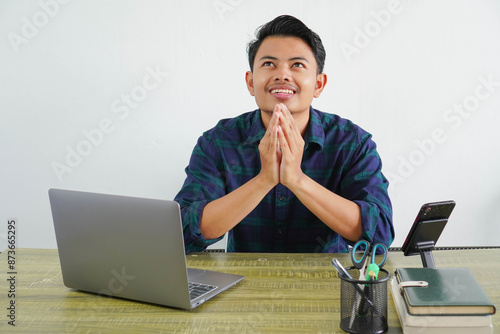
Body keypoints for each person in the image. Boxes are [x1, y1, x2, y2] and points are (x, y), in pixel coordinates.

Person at [174, 15, 394, 253]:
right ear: (250, 82)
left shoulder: (352, 143)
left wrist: (297, 180)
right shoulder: (217, 142)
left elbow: (379, 234)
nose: (282, 75)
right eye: (269, 64)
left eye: (297, 65)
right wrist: (264, 180)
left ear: (319, 85)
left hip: (327, 285)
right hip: (244, 285)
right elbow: (181, 232)